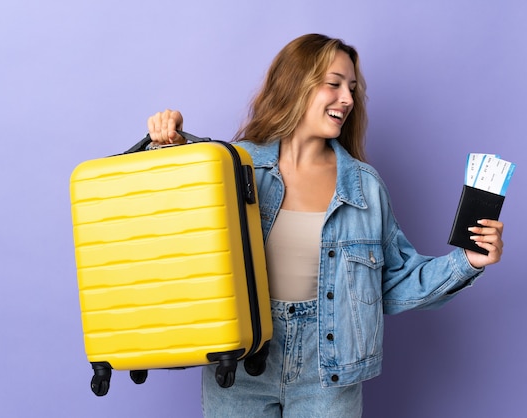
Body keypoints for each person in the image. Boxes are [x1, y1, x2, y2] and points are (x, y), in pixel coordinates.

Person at [146, 33, 504, 418]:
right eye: (333, 84)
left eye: (351, 88)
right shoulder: (235, 165)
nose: (348, 99)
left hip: (330, 370)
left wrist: (468, 261)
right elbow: (176, 234)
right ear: (294, 84)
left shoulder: (364, 186)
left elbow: (395, 280)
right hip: (241, 363)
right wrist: (167, 148)